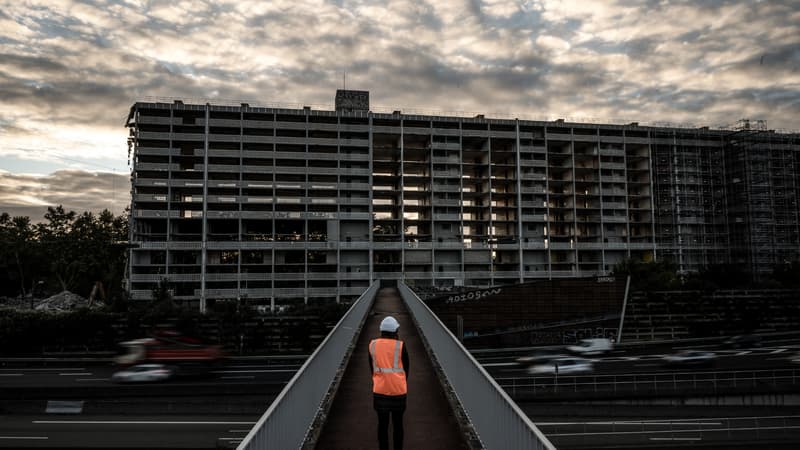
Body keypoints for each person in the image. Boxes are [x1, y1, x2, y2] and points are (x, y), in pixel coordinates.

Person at [368, 315, 410, 450]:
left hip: (380, 391)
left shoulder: (373, 345)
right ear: (395, 331)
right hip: (398, 391)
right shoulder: (400, 346)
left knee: (382, 426)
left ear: (381, 330)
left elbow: (372, 368)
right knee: (398, 425)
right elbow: (406, 368)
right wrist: (400, 381)